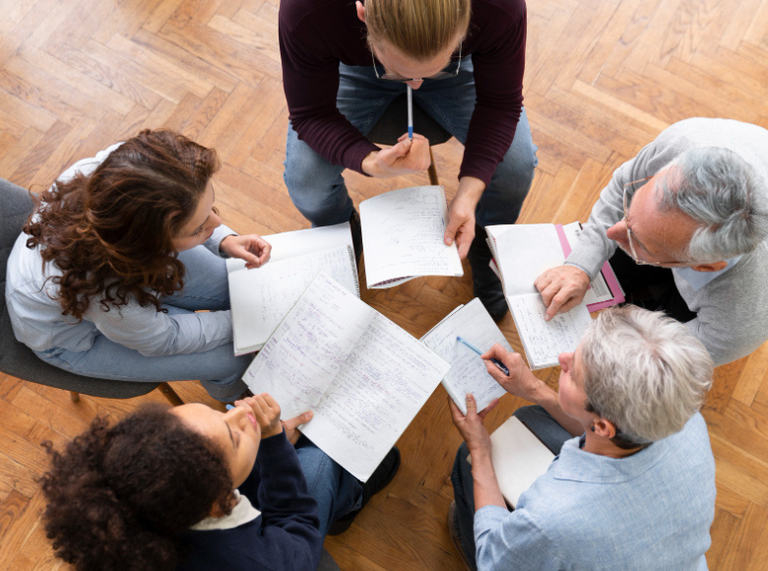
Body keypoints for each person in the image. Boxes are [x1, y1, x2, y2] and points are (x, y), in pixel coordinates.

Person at [279, 0, 538, 320]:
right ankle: (342, 232)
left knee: (516, 167)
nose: (414, 84)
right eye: (403, 73)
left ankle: (486, 244)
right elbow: (311, 114)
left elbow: (500, 106)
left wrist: (469, 196)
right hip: (354, 66)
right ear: (364, 15)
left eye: (426, 73)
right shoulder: (308, 9)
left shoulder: (500, 6)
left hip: (462, 64)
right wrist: (370, 161)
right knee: (307, 179)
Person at [5, 130, 271, 402]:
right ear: (150, 245)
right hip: (71, 339)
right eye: (200, 227)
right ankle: (238, 400)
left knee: (235, 286)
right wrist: (243, 320)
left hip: (115, 283)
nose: (215, 223)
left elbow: (189, 206)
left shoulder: (123, 168)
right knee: (231, 359)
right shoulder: (104, 291)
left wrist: (223, 239)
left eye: (211, 208)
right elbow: (162, 339)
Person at [449, 305, 716, 571]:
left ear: (602, 426)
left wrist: (479, 449)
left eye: (573, 373)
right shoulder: (687, 419)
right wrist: (535, 389)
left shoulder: (549, 520)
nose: (562, 358)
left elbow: (494, 562)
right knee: (534, 417)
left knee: (466, 461)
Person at [40, 394, 399, 570]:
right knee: (320, 464)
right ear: (218, 502)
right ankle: (349, 504)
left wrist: (256, 449)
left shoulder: (142, 513)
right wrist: (273, 447)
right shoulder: (255, 562)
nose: (242, 413)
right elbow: (301, 534)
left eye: (217, 412)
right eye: (234, 438)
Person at [534, 117, 768, 365]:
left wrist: (621, 357)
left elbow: (683, 356)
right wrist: (581, 264)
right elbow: (622, 185)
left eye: (640, 242)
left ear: (705, 265)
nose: (613, 231)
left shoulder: (742, 319)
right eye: (630, 210)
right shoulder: (680, 142)